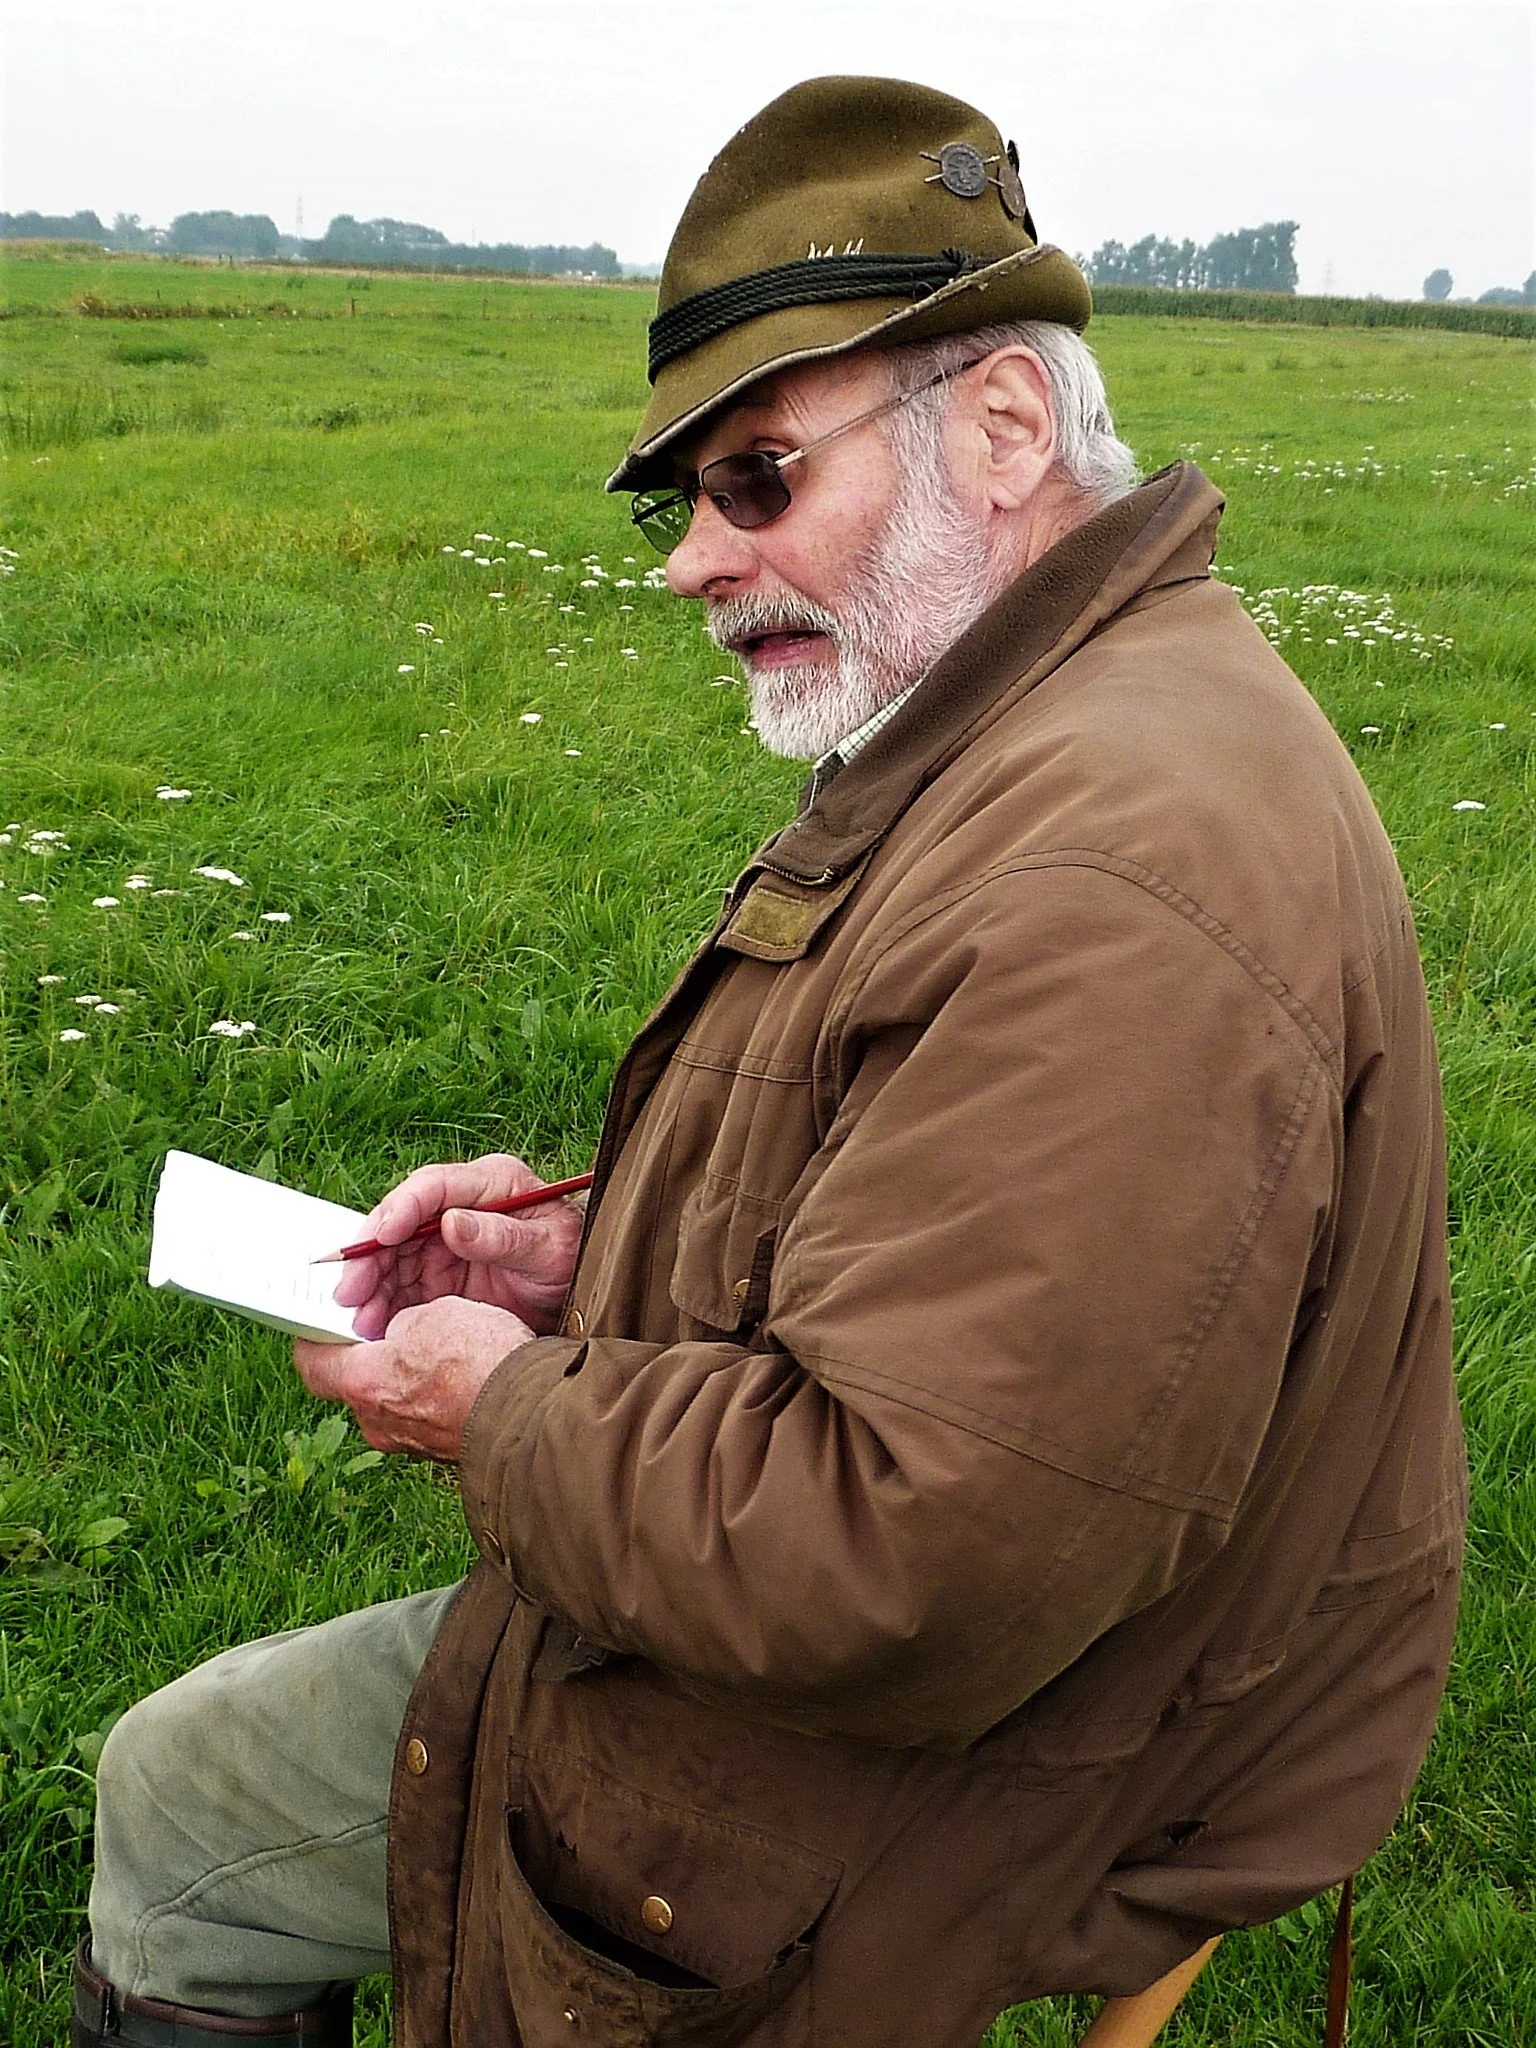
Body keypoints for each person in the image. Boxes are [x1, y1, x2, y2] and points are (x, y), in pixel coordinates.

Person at [75, 76, 1466, 2048]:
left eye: (755, 480)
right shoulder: (1059, 719)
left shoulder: (1117, 875)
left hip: (1037, 1739)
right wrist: (579, 1264)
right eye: (684, 501)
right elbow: (954, 1249)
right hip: (1056, 1646)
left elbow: (908, 1555)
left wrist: (509, 1412)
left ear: (1002, 429)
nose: (690, 563)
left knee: (182, 1802)